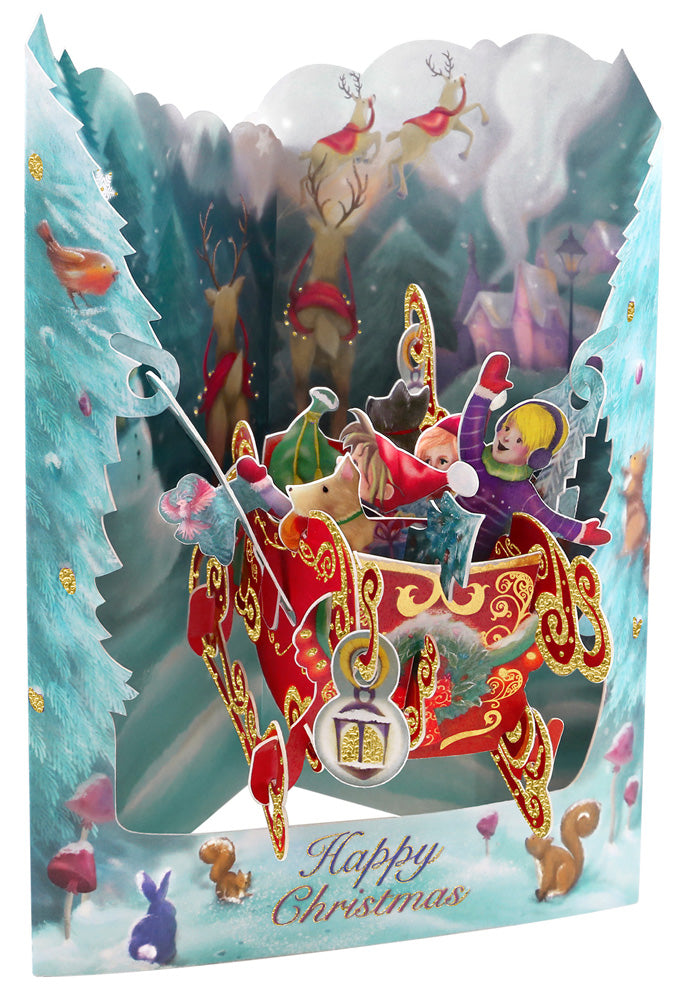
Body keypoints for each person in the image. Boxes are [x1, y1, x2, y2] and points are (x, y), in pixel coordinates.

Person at [451, 352, 611, 559]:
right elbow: (470, 429)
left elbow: (549, 520)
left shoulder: (520, 492)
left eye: (519, 440)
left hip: (473, 561)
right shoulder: (477, 461)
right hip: (437, 535)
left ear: (537, 457)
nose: (506, 437)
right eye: (507, 428)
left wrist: (582, 532)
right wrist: (485, 390)